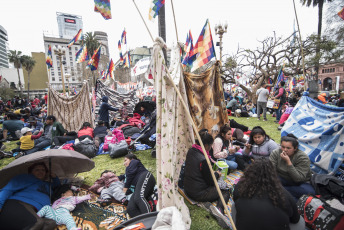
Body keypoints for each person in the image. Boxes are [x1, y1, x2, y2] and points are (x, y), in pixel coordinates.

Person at [233, 158, 304, 230]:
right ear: (273, 173)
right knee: (300, 221)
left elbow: (235, 199)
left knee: (234, 206)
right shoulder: (282, 192)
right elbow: (295, 219)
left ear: (250, 171)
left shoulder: (241, 185)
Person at [184, 130, 231, 228]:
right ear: (206, 145)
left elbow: (199, 172)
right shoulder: (203, 159)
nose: (211, 147)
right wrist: (217, 175)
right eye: (211, 145)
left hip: (187, 188)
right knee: (226, 190)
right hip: (197, 193)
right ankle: (219, 209)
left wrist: (213, 173)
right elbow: (210, 181)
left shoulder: (191, 150)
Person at [0, 162, 60, 229]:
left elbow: (57, 186)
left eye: (43, 170)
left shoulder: (47, 185)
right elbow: (8, 189)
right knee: (37, 222)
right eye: (37, 170)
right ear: (31, 172)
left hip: (36, 212)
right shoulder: (26, 177)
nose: (40, 172)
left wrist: (54, 176)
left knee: (50, 223)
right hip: (19, 204)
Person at [269, 134, 315, 200]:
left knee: (309, 192)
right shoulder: (276, 153)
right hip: (283, 178)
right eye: (283, 147)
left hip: (300, 182)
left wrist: (288, 162)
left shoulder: (302, 157)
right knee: (269, 182)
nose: (284, 150)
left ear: (295, 148)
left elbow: (299, 178)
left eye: (288, 148)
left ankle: (280, 191)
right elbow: (270, 171)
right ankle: (282, 192)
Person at [118, 153, 156, 218]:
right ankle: (143, 222)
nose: (124, 163)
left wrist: (125, 189)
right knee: (130, 208)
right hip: (139, 186)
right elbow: (126, 177)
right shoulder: (129, 172)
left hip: (146, 176)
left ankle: (150, 219)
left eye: (125, 160)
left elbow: (130, 175)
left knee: (139, 197)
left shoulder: (134, 162)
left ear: (132, 159)